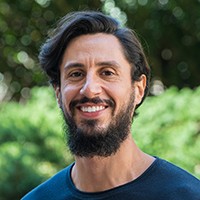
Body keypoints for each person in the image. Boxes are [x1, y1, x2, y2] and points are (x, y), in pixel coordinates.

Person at [22, 11, 200, 200]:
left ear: (138, 89)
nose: (90, 90)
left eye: (107, 72)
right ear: (58, 93)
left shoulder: (187, 195)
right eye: (76, 74)